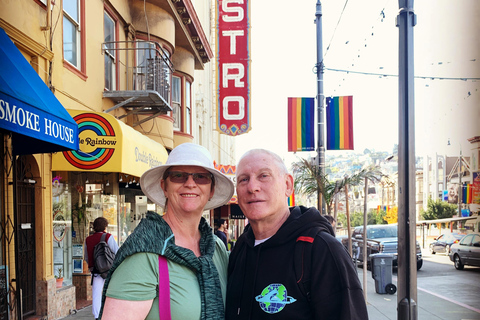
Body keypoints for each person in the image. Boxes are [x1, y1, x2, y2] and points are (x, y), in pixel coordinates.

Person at [226, 149, 368, 320]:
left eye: (264, 176)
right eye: (244, 179)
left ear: (288, 185)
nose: (252, 187)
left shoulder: (321, 249)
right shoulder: (241, 248)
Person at [99, 143, 234, 320]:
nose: (190, 183)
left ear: (211, 190)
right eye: (179, 176)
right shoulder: (144, 254)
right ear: (164, 186)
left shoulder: (215, 248)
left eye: (201, 177)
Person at [84, 217, 119, 320]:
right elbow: (117, 252)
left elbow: (86, 256)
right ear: (105, 226)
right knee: (110, 292)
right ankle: (110, 314)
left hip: (95, 271)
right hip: (108, 270)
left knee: (96, 294)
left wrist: (92, 266)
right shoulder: (108, 237)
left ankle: (97, 315)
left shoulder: (88, 239)